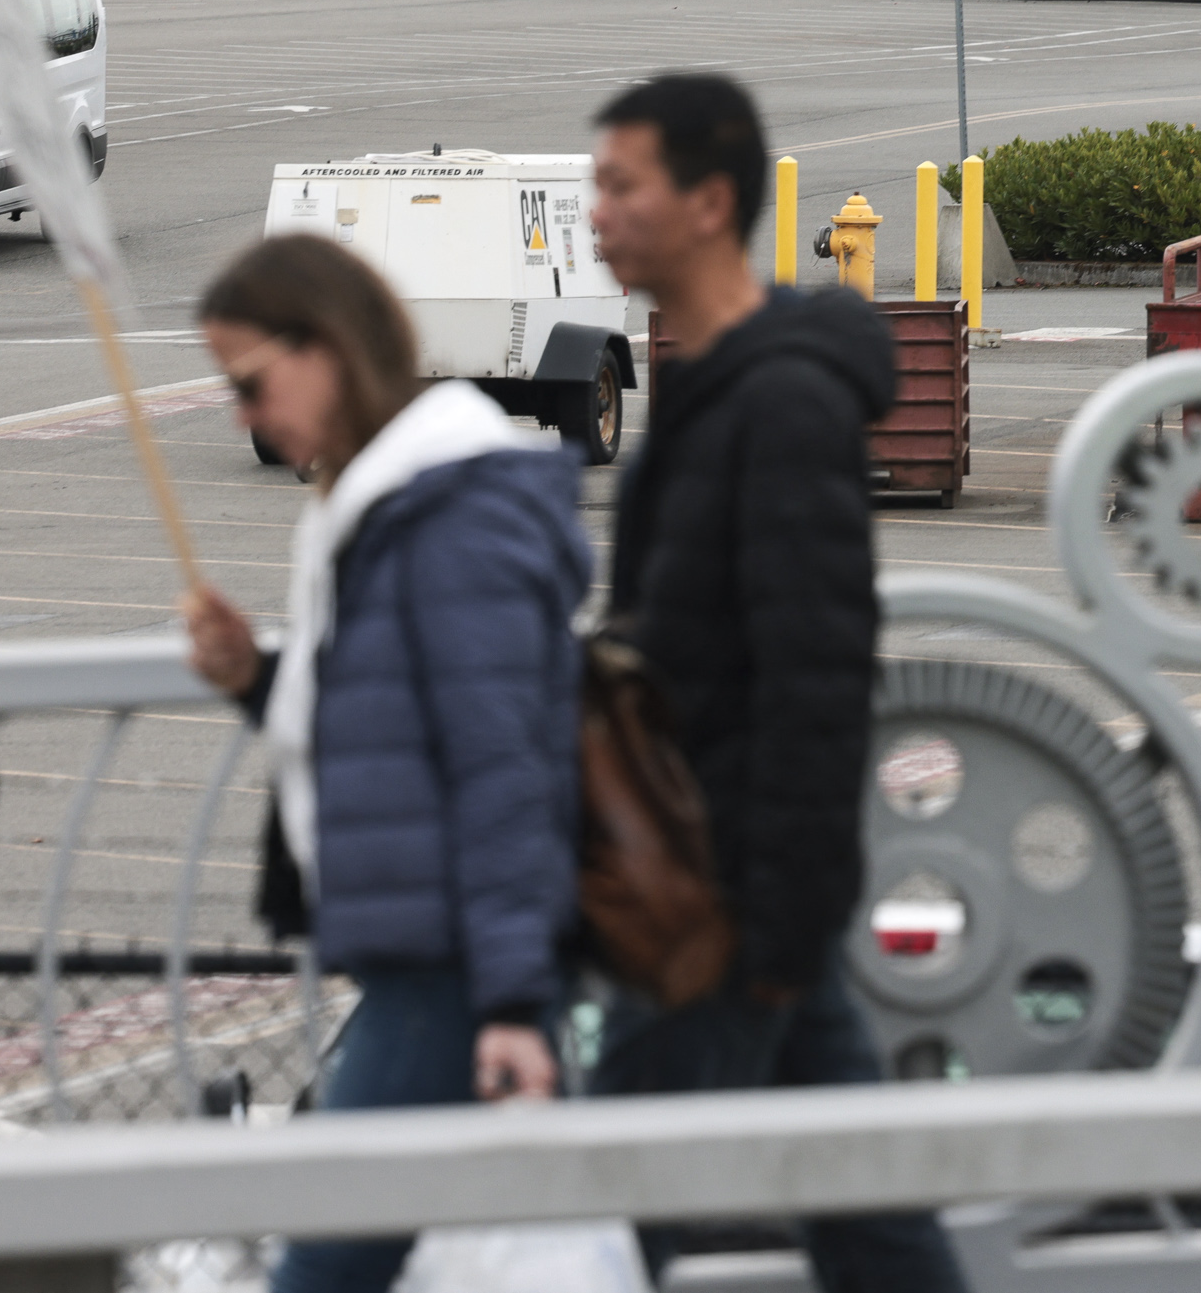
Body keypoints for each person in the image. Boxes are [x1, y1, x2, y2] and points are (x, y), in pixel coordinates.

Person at [582, 72, 963, 1293]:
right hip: (706, 884)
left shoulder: (782, 403)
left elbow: (816, 672)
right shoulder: (714, 385)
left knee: (604, 1207)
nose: (596, 210)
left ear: (706, 203)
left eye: (619, 184)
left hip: (724, 899)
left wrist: (778, 923)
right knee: (867, 1220)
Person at [178, 236, 587, 1293]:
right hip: (445, 955)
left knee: (328, 1259)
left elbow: (502, 770)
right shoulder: (392, 506)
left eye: (249, 382)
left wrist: (506, 1001)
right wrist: (255, 679)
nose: (241, 413)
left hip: (449, 962)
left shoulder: (441, 518)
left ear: (328, 352)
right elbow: (379, 719)